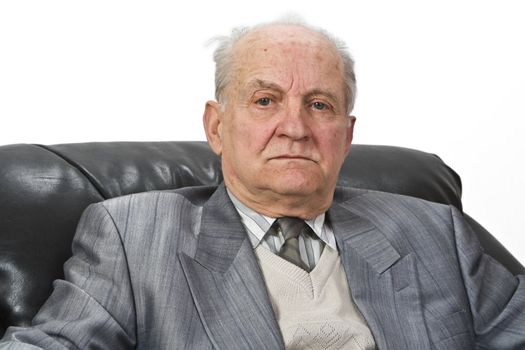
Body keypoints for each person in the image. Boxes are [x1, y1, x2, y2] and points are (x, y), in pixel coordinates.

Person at [1, 18, 524, 350]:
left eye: (319, 105)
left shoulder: (435, 231)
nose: (295, 128)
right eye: (265, 100)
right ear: (216, 127)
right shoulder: (134, 234)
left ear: (346, 135)